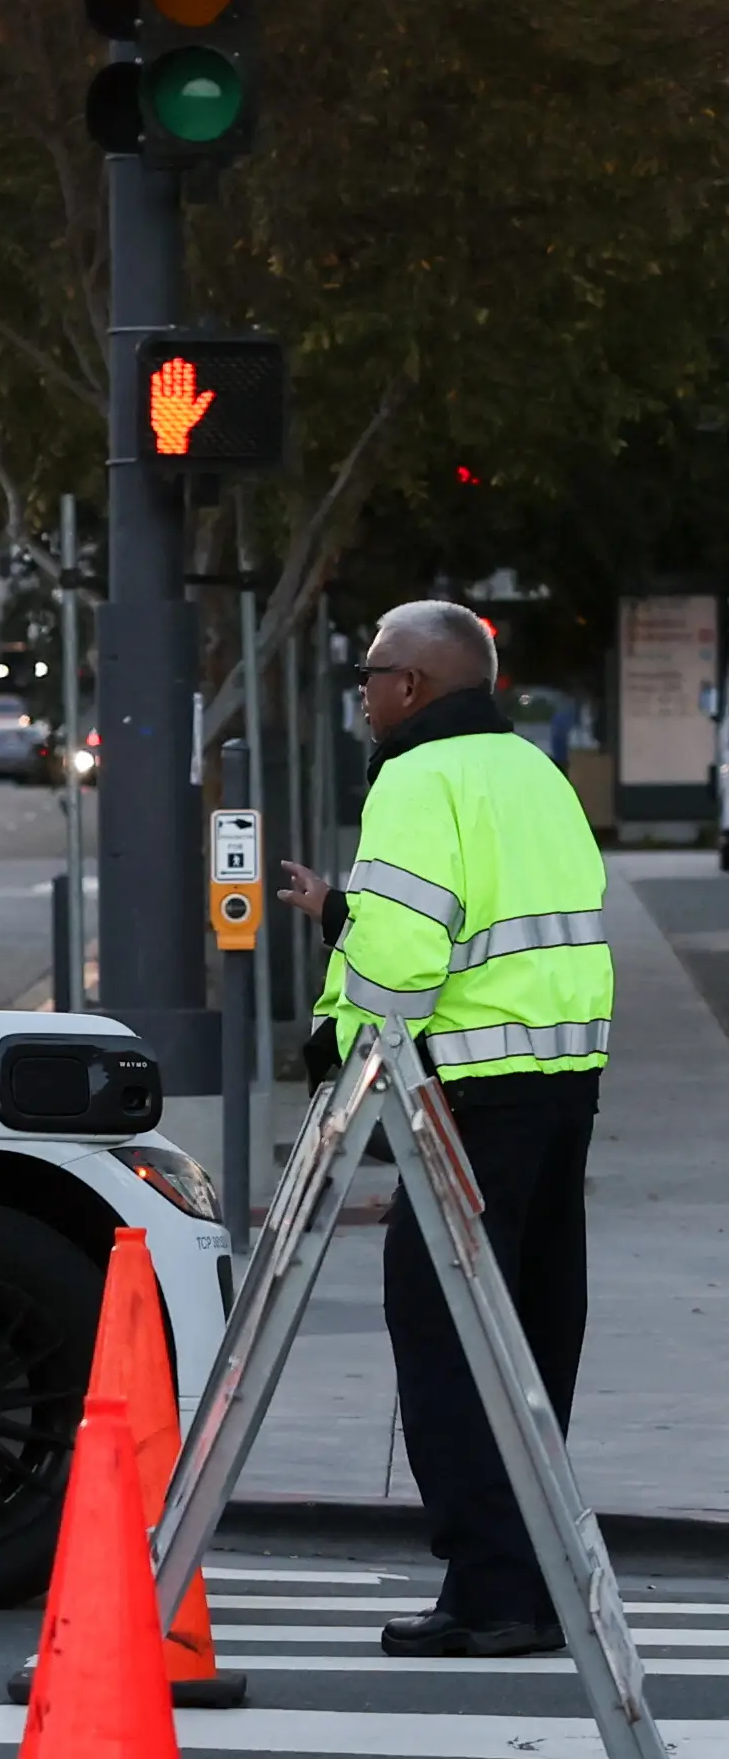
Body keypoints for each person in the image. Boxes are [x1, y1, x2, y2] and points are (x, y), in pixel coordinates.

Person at [276, 600, 612, 1659]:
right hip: (559, 1088)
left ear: (411, 686)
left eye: (370, 674)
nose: (363, 693)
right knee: (528, 1341)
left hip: (460, 1100)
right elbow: (488, 927)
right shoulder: (532, 776)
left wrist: (335, 1045)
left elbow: (406, 957)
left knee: (444, 1341)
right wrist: (340, 912)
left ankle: (488, 1592)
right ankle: (540, 1580)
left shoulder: (416, 778)